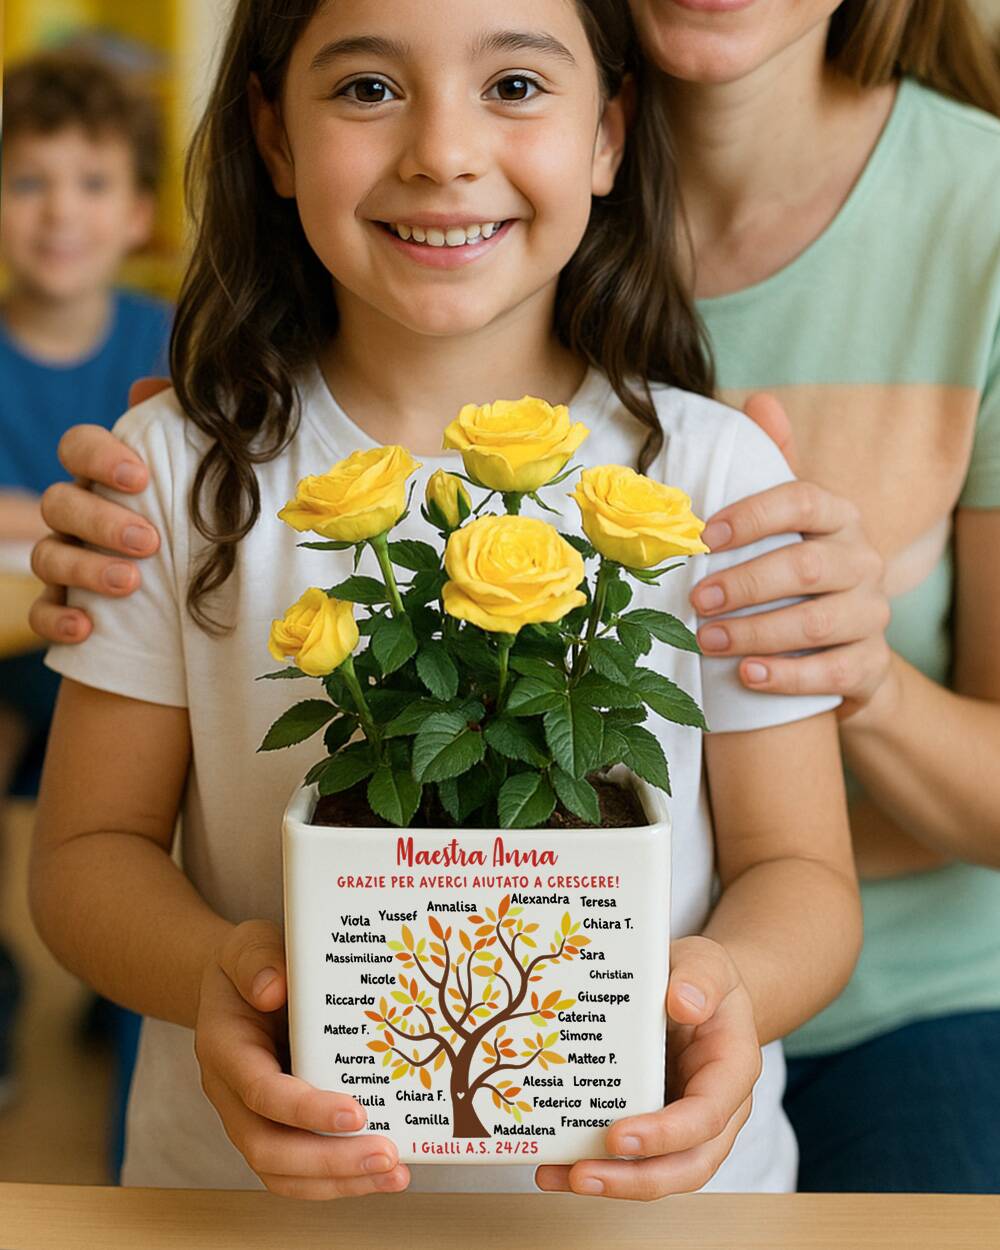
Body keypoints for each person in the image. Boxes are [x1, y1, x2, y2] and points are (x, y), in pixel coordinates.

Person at [26, 0, 863, 1201]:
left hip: (649, 1205)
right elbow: (83, 858)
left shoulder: (710, 475)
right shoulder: (171, 470)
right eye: (367, 89)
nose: (442, 151)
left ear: (608, 135)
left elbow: (805, 876)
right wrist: (236, 972)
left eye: (515, 86)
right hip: (251, 1203)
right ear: (271, 137)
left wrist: (718, 992)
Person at [0, 52, 170, 1132]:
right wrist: (62, 510)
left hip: (107, 640)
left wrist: (22, 511)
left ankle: (123, 995)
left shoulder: (168, 336)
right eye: (27, 182)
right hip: (14, 643)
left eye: (93, 183)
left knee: (148, 779)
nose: (61, 210)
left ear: (140, 212)